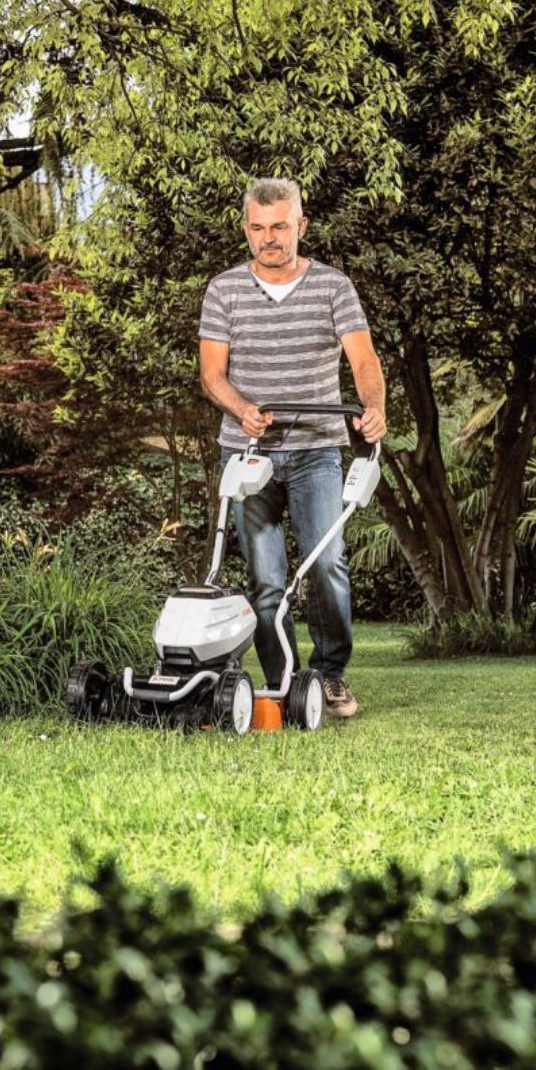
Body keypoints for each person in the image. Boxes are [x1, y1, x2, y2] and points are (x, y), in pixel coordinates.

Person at [196, 178, 387, 718]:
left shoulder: (333, 286)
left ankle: (329, 676)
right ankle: (282, 684)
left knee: (327, 564)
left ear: (300, 226)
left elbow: (364, 361)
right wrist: (241, 407)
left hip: (316, 450)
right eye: (258, 228)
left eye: (279, 226)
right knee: (266, 579)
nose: (269, 238)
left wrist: (373, 406)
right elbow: (212, 375)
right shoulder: (224, 290)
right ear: (246, 230)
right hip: (247, 453)